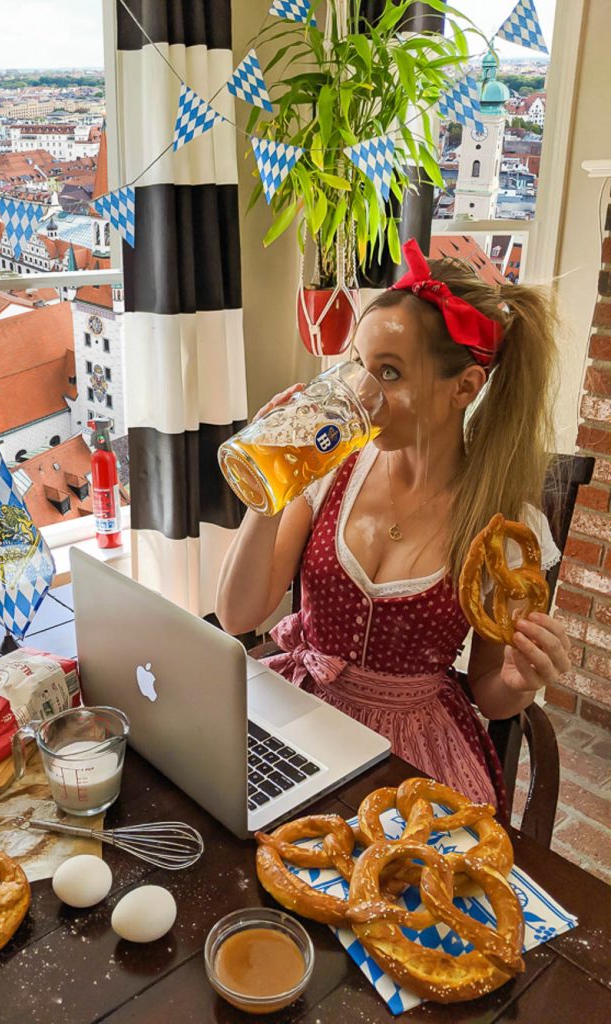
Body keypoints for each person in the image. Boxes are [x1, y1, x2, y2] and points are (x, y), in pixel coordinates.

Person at [216, 238, 571, 815]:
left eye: (390, 373)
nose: (362, 394)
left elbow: (490, 690)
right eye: (359, 363)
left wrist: (519, 679)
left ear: (465, 389)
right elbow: (237, 615)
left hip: (414, 750)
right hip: (302, 709)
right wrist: (269, 493)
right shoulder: (328, 470)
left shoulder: (499, 525)